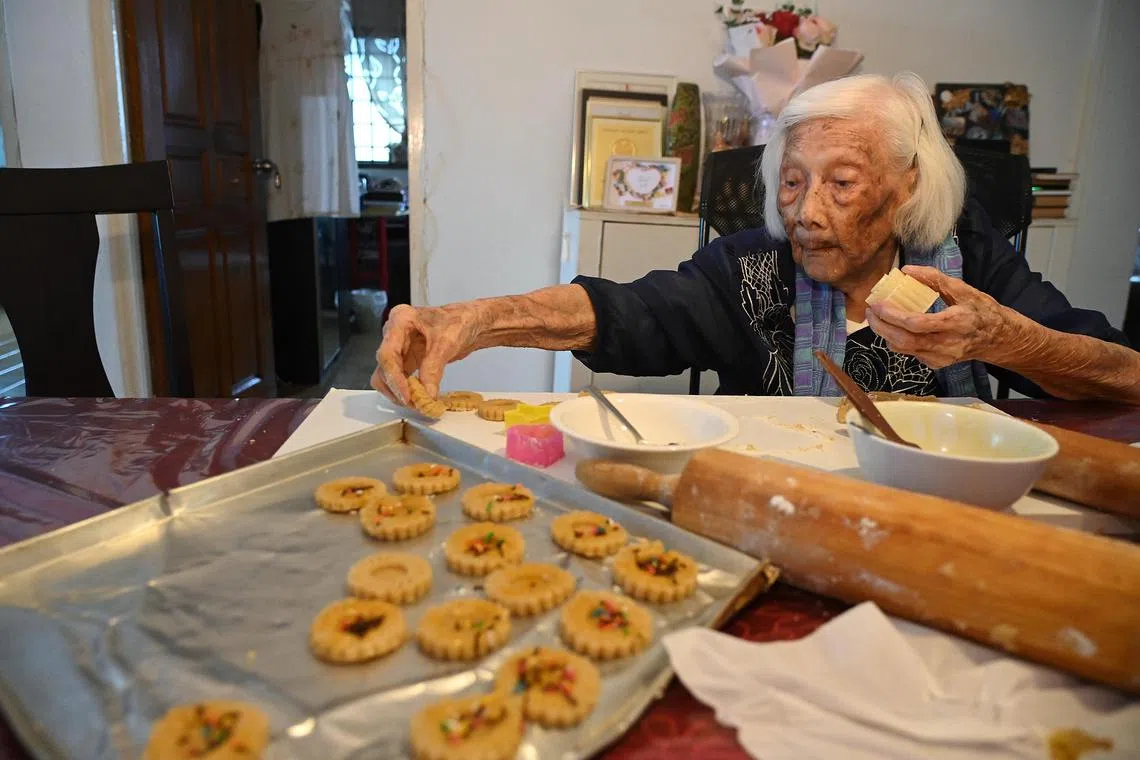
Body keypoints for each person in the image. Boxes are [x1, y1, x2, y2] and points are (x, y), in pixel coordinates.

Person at [372, 72, 1140, 406]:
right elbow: (627, 311)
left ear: (907, 185)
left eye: (841, 184)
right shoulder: (751, 270)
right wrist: (468, 322)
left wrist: (1006, 339)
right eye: (792, 180)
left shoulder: (969, 259)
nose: (805, 213)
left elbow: (1122, 374)